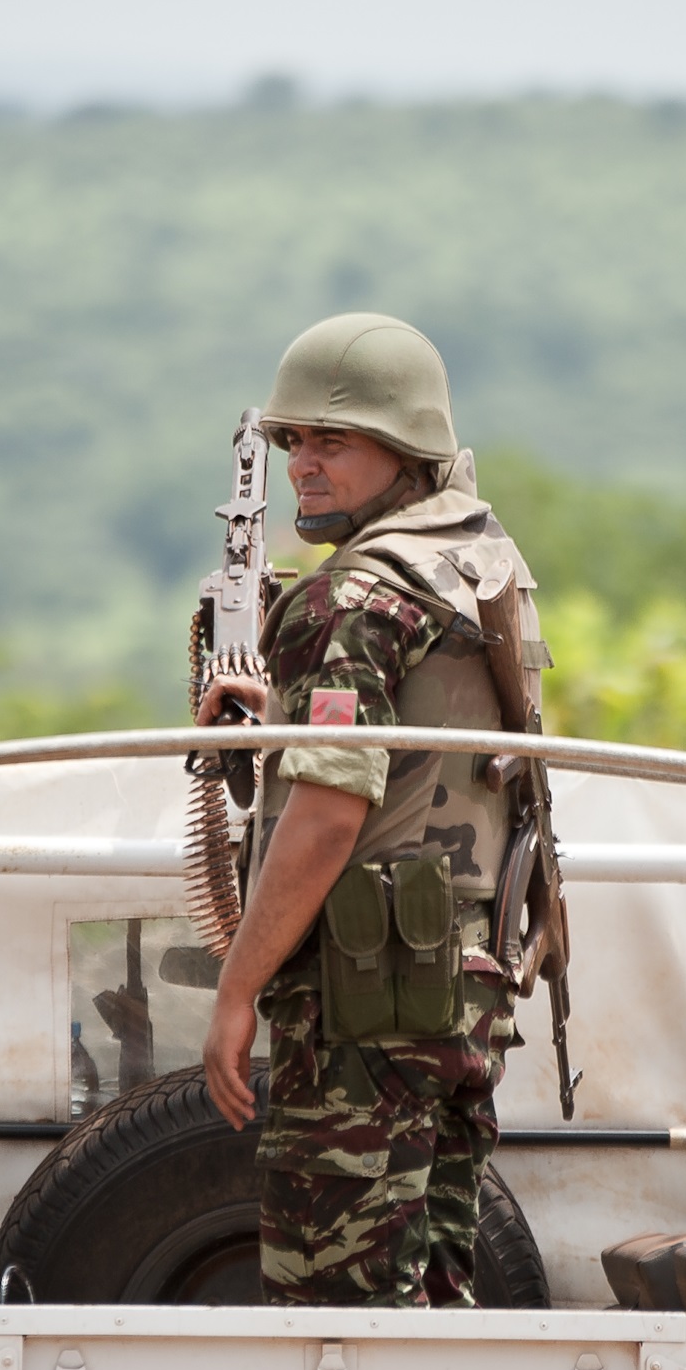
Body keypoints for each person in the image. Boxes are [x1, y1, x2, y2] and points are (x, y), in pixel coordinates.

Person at [194, 312, 548, 1308]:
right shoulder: (473, 562)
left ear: (405, 447)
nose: (304, 463)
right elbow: (425, 746)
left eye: (332, 440)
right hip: (458, 988)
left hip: (364, 1004)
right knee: (431, 1304)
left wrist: (233, 992)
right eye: (293, 439)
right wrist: (285, 717)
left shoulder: (347, 597)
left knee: (337, 1326)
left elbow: (325, 819)